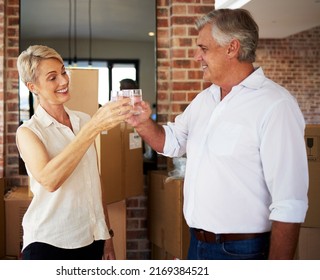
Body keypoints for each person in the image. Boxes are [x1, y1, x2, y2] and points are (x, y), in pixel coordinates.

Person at [127, 9, 309, 260]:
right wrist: (143, 123)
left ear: (231, 48)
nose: (196, 56)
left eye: (203, 48)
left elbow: (290, 203)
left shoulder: (275, 105)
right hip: (197, 244)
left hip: (244, 252)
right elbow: (173, 143)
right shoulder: (205, 99)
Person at [16, 45, 132, 260]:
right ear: (33, 86)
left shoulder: (83, 120)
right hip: (49, 243)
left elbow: (94, 181)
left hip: (91, 239)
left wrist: (106, 237)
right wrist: (93, 128)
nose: (63, 81)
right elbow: (50, 180)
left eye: (63, 72)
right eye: (52, 77)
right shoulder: (28, 132)